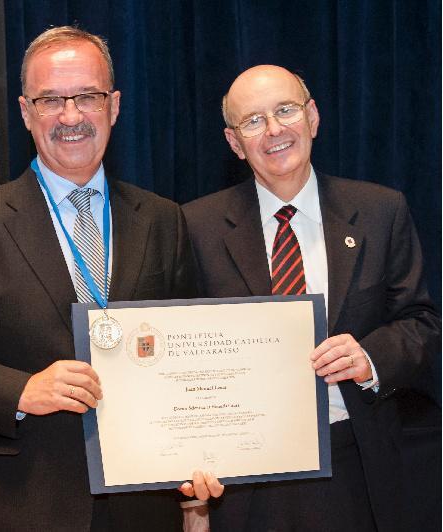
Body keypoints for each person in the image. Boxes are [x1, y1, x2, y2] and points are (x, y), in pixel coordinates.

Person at [0, 26, 222, 531]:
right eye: (50, 99)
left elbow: (191, 350)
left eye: (88, 97)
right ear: (26, 112)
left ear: (114, 106)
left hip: (142, 504)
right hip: (21, 502)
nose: (71, 116)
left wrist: (196, 475)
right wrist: (19, 390)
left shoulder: (163, 219)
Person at [182, 64, 440, 531]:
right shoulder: (194, 227)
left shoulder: (382, 212)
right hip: (244, 479)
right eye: (253, 121)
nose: (274, 130)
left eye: (286, 111)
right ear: (234, 142)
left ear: (313, 117)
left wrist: (370, 357)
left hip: (356, 462)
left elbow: (421, 322)